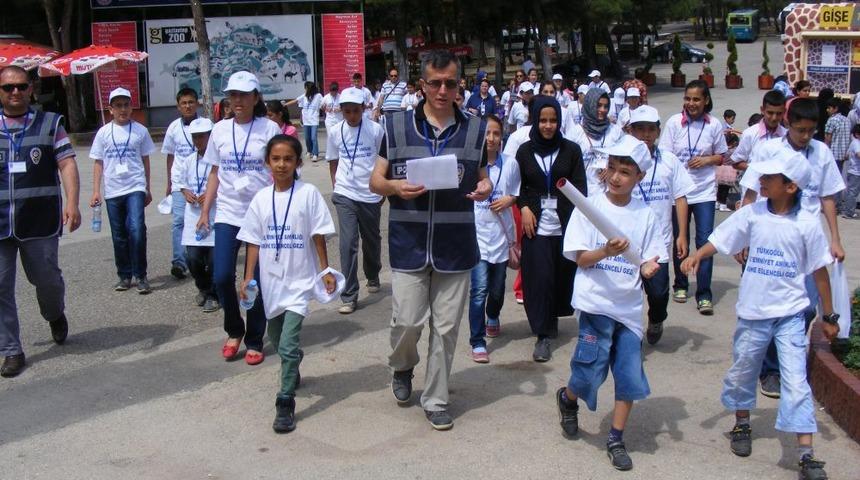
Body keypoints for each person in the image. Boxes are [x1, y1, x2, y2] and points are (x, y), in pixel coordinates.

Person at [681, 150, 838, 480]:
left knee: (795, 380)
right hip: (753, 312)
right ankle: (741, 423)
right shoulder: (753, 214)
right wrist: (698, 254)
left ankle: (806, 453)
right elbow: (722, 239)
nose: (761, 181)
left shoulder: (807, 225)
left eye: (769, 178)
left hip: (791, 315)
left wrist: (830, 315)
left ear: (791, 186)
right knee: (744, 368)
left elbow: (820, 272)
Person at [369, 49, 492, 430]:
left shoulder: (475, 129)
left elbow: (484, 176)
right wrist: (394, 186)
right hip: (409, 240)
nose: (442, 90)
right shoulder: (395, 126)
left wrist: (486, 187)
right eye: (434, 83)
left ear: (459, 86)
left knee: (446, 328)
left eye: (450, 83)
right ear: (421, 85)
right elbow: (375, 181)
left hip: (456, 245)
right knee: (406, 320)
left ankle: (436, 397)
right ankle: (403, 366)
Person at [557, 135, 664, 472]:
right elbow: (580, 258)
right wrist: (606, 251)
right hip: (596, 304)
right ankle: (568, 398)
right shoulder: (590, 207)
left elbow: (651, 258)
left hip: (629, 310)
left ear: (639, 178)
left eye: (626, 172)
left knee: (629, 376)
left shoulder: (646, 216)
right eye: (613, 169)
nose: (617, 177)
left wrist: (649, 266)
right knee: (589, 373)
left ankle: (616, 438)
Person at [740, 99, 846, 398]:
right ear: (789, 123)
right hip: (772, 238)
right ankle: (771, 370)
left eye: (811, 131)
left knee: (806, 306)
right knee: (770, 307)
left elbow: (827, 198)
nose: (805, 136)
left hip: (806, 240)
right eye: (800, 130)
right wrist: (744, 238)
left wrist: (835, 238)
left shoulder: (821, 153)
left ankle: (788, 361)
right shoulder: (768, 150)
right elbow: (750, 193)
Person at [237, 134, 337, 434]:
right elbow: (253, 241)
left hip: (299, 282)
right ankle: (293, 363)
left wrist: (325, 270)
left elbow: (318, 234)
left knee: (289, 342)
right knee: (279, 338)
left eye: (288, 159)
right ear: (267, 162)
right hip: (271, 283)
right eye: (276, 159)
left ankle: (285, 401)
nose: (281, 164)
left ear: (298, 162)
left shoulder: (308, 194)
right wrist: (248, 277)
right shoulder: (260, 199)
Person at [0, 66, 80, 378]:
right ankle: (11, 350)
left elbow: (67, 163)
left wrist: (72, 202)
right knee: (0, 287)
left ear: (31, 88)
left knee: (47, 281)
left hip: (39, 222)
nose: (15, 92)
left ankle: (54, 313)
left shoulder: (50, 124)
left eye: (21, 86)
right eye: (8, 88)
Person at [197, 71, 281, 366]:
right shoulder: (219, 130)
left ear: (256, 97)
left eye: (244, 95)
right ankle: (235, 329)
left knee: (255, 280)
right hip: (228, 214)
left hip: (260, 215)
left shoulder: (269, 128)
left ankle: (256, 339)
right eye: (233, 95)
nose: (238, 100)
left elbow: (282, 169)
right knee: (221, 277)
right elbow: (214, 172)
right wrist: (206, 210)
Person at [516, 96, 586, 362]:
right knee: (539, 279)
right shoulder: (524, 151)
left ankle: (553, 318)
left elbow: (580, 187)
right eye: (543, 120)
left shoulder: (571, 150)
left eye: (553, 120)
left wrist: (578, 222)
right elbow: (518, 186)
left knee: (561, 277)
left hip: (564, 224)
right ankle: (542, 334)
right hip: (535, 226)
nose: (548, 126)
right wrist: (524, 207)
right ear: (534, 120)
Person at [658, 79, 728, 314]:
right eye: (687, 98)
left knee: (705, 241)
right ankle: (680, 283)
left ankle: (704, 293)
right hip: (679, 194)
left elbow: (722, 156)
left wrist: (707, 160)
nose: (691, 103)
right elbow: (665, 157)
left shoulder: (714, 125)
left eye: (696, 99)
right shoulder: (674, 123)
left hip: (705, 191)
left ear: (706, 100)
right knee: (680, 239)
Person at [628, 106, 694, 345]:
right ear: (630, 131)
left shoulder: (669, 160)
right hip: (628, 242)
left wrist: (682, 234)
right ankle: (630, 336)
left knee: (658, 293)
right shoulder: (620, 161)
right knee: (629, 295)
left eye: (650, 129)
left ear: (658, 131)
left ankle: (656, 319)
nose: (645, 134)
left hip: (658, 241)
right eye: (640, 129)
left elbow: (680, 197)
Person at [89, 87, 155, 294]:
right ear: (110, 109)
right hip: (113, 190)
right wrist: (96, 191)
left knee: (136, 229)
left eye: (126, 105)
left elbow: (146, 160)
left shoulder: (140, 131)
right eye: (118, 106)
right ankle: (124, 275)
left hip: (135, 186)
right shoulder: (103, 133)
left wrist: (147, 187)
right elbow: (98, 162)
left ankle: (141, 275)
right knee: (119, 235)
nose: (123, 109)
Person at [325, 88, 385, 313]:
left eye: (356, 111)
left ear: (364, 109)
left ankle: (373, 273)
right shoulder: (334, 132)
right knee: (347, 242)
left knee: (371, 240)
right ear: (341, 111)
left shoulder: (376, 130)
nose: (351, 115)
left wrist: (383, 191)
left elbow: (384, 160)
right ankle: (349, 295)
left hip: (370, 193)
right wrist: (336, 188)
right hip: (345, 193)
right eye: (347, 111)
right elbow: (333, 160)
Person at [468, 115, 518, 363]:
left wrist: (509, 199)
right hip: (477, 237)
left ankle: (493, 314)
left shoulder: (510, 164)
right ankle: (477, 342)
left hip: (501, 236)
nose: (491, 138)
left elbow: (516, 193)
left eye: (496, 133)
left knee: (497, 289)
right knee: (478, 290)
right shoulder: (470, 166)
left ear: (502, 137)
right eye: (487, 133)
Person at [172, 118, 219, 313]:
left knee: (214, 260)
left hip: (215, 215)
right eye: (195, 137)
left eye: (202, 136)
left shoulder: (219, 160)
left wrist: (209, 194)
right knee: (193, 259)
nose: (198, 140)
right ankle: (204, 288)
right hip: (193, 216)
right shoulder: (189, 160)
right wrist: (185, 192)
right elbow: (180, 181)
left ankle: (214, 295)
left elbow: (223, 183)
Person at [162, 87, 199, 280]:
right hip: (178, 182)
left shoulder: (205, 125)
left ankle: (197, 259)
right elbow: (170, 156)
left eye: (191, 102)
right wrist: (169, 182)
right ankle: (179, 262)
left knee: (199, 221)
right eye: (183, 103)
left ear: (197, 103)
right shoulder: (173, 128)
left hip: (199, 182)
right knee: (178, 222)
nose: (187, 106)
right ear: (178, 106)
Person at [564, 88, 624, 197]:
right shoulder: (575, 133)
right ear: (589, 105)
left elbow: (624, 158)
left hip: (609, 192)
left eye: (606, 106)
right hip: (583, 193)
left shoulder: (615, 131)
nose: (603, 110)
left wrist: (612, 167)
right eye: (599, 105)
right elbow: (567, 163)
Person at [730, 90, 787, 172]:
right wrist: (758, 170)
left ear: (784, 112)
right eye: (770, 113)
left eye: (778, 113)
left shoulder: (786, 136)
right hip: (753, 183)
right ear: (762, 110)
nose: (774, 118)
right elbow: (736, 162)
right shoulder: (750, 134)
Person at [284, 82, 323, 161]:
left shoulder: (318, 96)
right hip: (306, 121)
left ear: (309, 88)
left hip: (314, 120)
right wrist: (284, 105)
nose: (305, 89)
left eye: (306, 88)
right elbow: (295, 101)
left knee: (313, 138)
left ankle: (315, 154)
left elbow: (323, 103)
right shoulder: (304, 96)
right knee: (307, 138)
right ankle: (309, 151)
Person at [824, 97, 851, 171]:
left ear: (835, 108)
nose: (827, 110)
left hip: (833, 154)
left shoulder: (831, 120)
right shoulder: (847, 120)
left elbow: (828, 138)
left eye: (829, 108)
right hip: (843, 154)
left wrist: (824, 151)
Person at [841, 124, 860, 219]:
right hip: (855, 172)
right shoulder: (856, 143)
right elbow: (858, 154)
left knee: (852, 192)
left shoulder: (854, 142)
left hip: (854, 171)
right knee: (852, 193)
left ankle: (848, 210)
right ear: (857, 134)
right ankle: (848, 212)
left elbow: (847, 155)